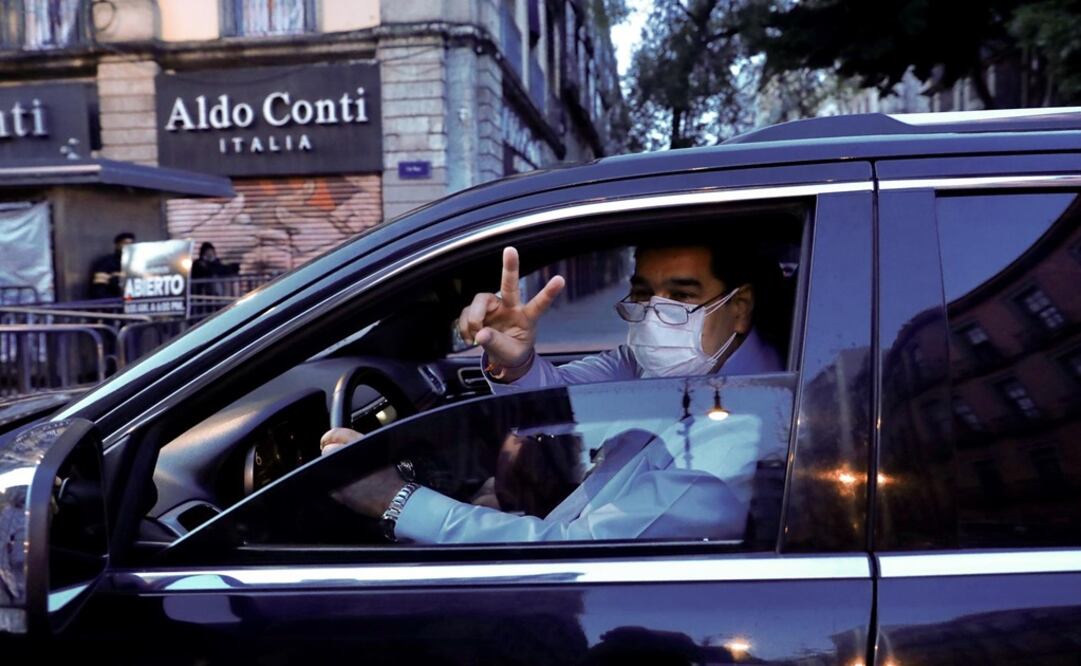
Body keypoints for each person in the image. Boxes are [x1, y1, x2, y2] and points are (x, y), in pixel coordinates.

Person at [320, 243, 787, 544]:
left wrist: (397, 501)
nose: (652, 313)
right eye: (643, 293)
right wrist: (515, 358)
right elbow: (565, 397)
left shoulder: (735, 451)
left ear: (739, 307)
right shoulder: (670, 362)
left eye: (681, 296)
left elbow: (565, 549)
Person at [88, 231, 134, 299]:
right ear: (117, 245)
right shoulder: (106, 263)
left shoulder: (134, 264)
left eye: (131, 244)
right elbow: (99, 289)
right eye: (125, 243)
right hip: (114, 303)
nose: (128, 247)